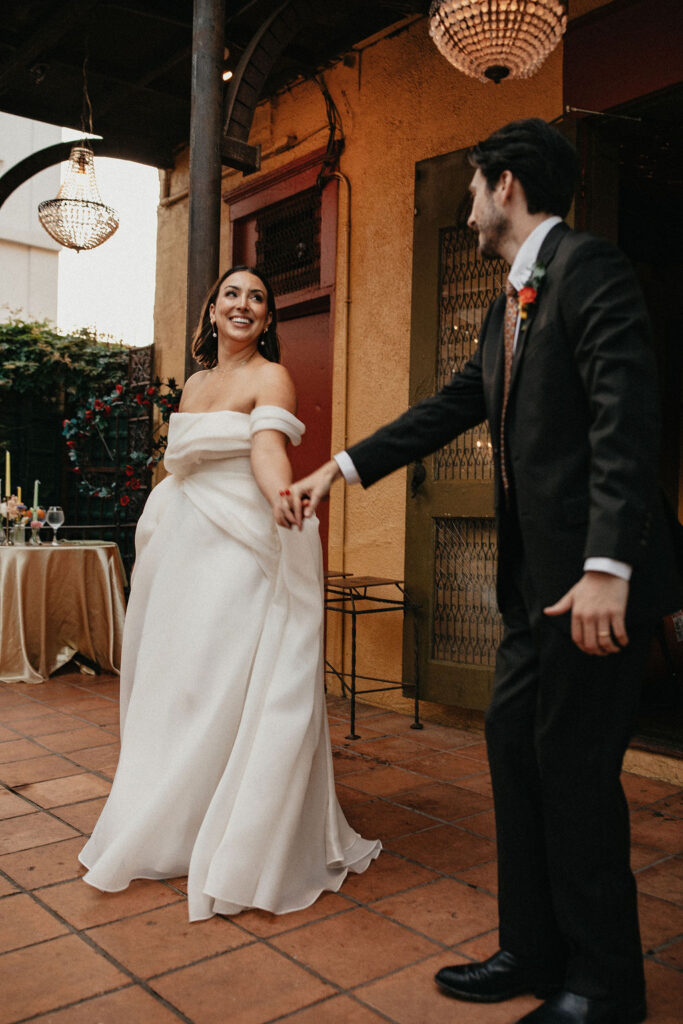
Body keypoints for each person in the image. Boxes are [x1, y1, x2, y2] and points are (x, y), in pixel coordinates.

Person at [284, 121, 681, 1024]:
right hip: (531, 595)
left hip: (591, 588)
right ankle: (531, 949)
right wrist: (338, 469)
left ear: (504, 185)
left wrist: (608, 565)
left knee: (574, 775)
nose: (466, 206)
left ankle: (603, 986)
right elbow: (452, 404)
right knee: (513, 748)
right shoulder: (508, 305)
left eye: (471, 187)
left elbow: (625, 419)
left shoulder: (590, 269)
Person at [79, 265, 380, 921]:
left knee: (223, 677)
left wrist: (282, 497)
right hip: (180, 545)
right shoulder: (194, 383)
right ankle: (173, 820)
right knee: (177, 681)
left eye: (257, 298)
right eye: (232, 294)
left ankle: (235, 821)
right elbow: (181, 462)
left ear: (267, 319)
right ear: (212, 311)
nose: (244, 304)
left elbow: (267, 451)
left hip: (237, 542)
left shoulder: (271, 377)